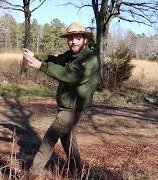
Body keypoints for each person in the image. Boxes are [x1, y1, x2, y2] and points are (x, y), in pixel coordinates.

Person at [22, 22, 100, 179]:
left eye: (77, 38)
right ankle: (77, 172)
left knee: (49, 139)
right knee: (68, 141)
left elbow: (70, 76)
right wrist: (35, 55)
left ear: (85, 39)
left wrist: (40, 66)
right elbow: (54, 59)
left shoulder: (89, 59)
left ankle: (31, 174)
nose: (73, 41)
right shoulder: (70, 55)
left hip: (72, 110)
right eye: (71, 38)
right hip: (66, 107)